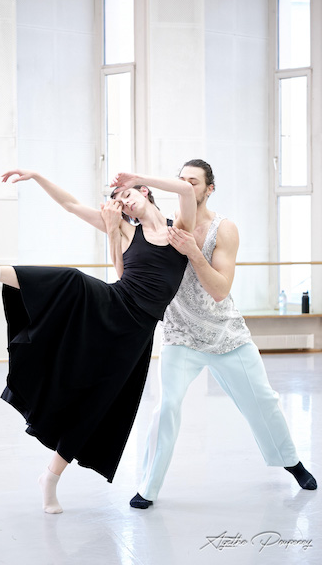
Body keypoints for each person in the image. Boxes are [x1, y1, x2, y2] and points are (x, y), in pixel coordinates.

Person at [0, 169, 196, 514]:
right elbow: (72, 207)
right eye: (120, 202)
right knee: (73, 280)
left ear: (143, 191)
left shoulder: (179, 229)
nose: (125, 203)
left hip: (137, 333)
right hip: (115, 305)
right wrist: (37, 176)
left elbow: (186, 190)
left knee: (96, 404)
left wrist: (137, 176)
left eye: (127, 195)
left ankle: (50, 477)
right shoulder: (126, 229)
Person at [102, 160, 316, 509]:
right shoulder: (166, 224)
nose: (186, 186)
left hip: (226, 334)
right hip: (180, 336)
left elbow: (219, 290)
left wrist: (192, 252)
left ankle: (292, 462)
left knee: (263, 400)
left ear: (209, 188)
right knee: (166, 407)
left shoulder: (224, 229)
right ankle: (148, 487)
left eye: (194, 181)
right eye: (181, 180)